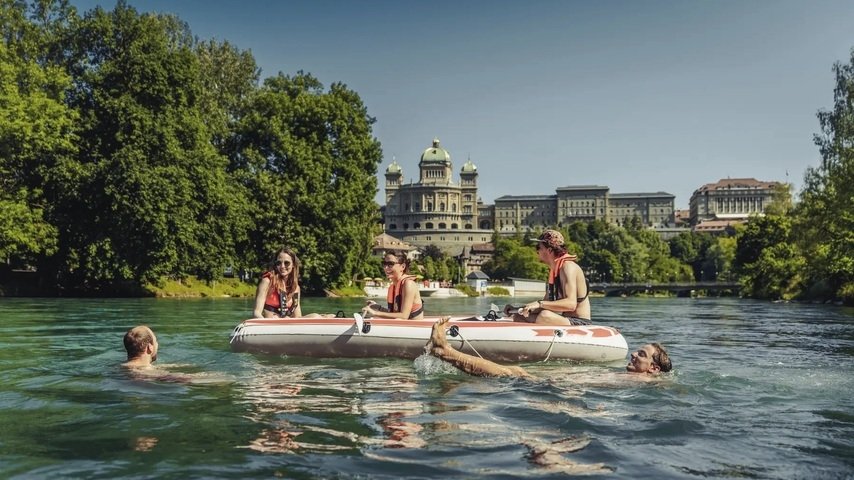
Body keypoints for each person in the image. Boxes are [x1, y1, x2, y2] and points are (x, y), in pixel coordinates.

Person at [427, 317, 672, 378]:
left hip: (558, 388)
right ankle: (445, 353)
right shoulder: (637, 380)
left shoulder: (644, 383)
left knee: (514, 372)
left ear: (653, 369)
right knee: (512, 372)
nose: (633, 354)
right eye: (637, 350)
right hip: (563, 384)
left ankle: (445, 351)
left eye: (642, 355)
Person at [513, 229, 590, 326]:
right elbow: (546, 304)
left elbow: (571, 304)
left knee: (544, 315)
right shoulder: (554, 270)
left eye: (539, 247)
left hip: (580, 323)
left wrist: (539, 303)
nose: (537, 250)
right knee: (518, 316)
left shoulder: (568, 267)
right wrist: (518, 309)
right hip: (565, 320)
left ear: (549, 250)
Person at [362, 250, 424, 320]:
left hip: (413, 329)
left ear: (403, 266)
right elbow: (393, 314)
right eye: (384, 263)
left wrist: (375, 313)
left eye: (390, 264)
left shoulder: (408, 284)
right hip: (401, 328)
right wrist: (378, 307)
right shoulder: (393, 287)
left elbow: (404, 316)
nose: (386, 268)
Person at [253, 248, 303, 318]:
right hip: (271, 324)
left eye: (286, 263)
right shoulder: (267, 282)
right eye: (278, 263)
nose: (282, 266)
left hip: (288, 324)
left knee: (316, 316)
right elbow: (256, 313)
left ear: (293, 264)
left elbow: (298, 317)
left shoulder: (296, 288)